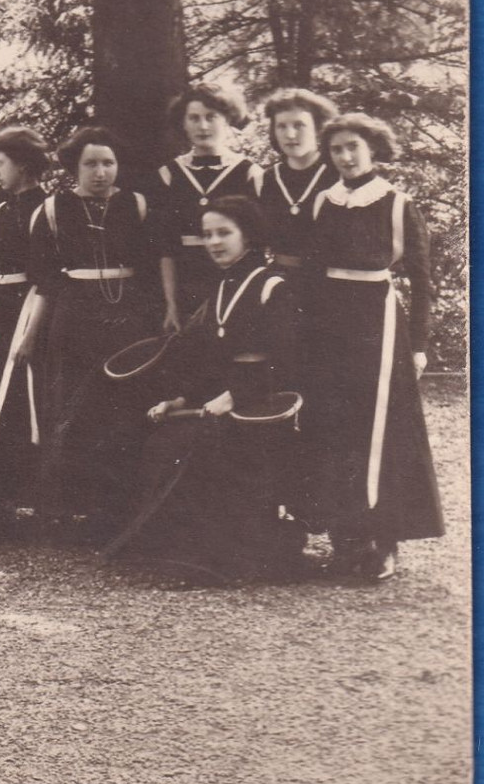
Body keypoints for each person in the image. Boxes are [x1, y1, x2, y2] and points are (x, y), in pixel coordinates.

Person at [129, 196, 306, 584]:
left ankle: (220, 561)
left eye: (224, 233)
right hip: (223, 398)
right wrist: (179, 398)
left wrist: (234, 398)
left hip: (261, 405)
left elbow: (286, 362)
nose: (214, 242)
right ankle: (177, 552)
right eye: (207, 234)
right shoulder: (222, 286)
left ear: (249, 235)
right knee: (163, 441)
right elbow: (209, 360)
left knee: (205, 444)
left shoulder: (271, 285)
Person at [17, 125, 173, 542]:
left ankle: (122, 513)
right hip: (74, 320)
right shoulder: (51, 211)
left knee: (125, 412)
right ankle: (75, 514)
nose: (101, 172)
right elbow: (45, 282)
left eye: (109, 163)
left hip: (129, 318)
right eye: (91, 164)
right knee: (76, 412)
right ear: (73, 167)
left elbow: (158, 262)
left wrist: (166, 312)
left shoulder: (137, 205)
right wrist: (31, 334)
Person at [305, 113, 443, 580]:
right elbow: (311, 269)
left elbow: (423, 281)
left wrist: (420, 344)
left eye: (353, 147)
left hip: (377, 322)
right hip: (329, 321)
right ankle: (347, 536)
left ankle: (384, 540)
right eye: (337, 149)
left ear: (372, 149)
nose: (345, 156)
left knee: (380, 427)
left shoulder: (397, 203)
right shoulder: (324, 201)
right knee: (336, 425)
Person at [0, 127, 51, 544]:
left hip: (27, 307)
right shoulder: (1, 208)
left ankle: (3, 505)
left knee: (14, 407)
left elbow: (46, 280)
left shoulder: (45, 210)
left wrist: (29, 335)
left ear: (22, 164)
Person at [154, 83, 256, 321]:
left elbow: (256, 245)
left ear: (227, 120)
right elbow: (165, 247)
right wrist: (171, 303)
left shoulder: (249, 173)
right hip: (186, 284)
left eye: (211, 117)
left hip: (234, 280)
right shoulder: (169, 174)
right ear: (184, 123)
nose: (203, 126)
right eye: (194, 118)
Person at [256, 88, 339, 272]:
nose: (290, 135)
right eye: (282, 126)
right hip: (280, 280)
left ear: (319, 129)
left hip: (329, 283)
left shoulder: (336, 174)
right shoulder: (269, 178)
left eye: (299, 125)